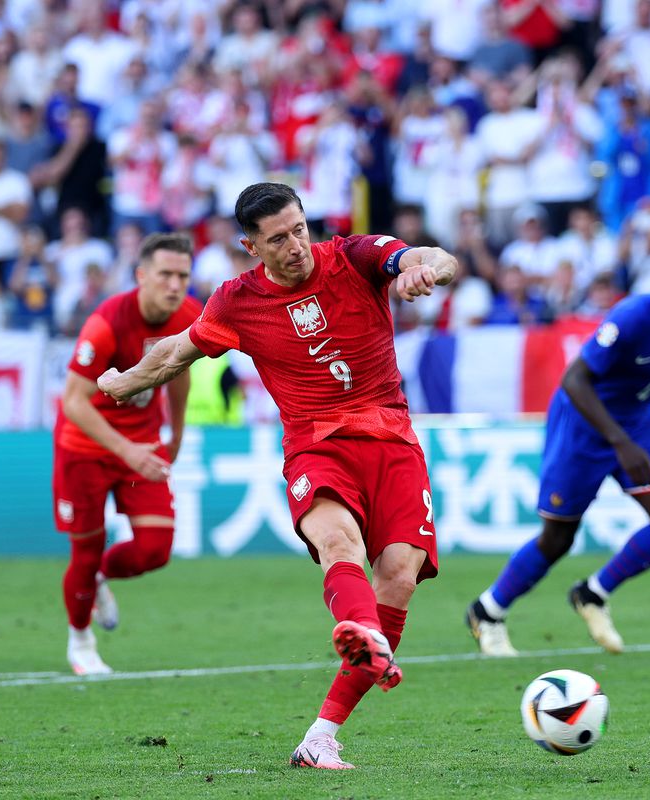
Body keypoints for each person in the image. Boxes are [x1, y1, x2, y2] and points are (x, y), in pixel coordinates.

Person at [97, 183, 458, 770]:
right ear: (251, 246)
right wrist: (123, 381)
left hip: (392, 439)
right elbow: (175, 353)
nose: (296, 246)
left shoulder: (355, 257)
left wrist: (428, 271)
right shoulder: (237, 302)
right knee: (338, 540)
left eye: (299, 230)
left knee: (399, 575)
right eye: (278, 240)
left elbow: (426, 256)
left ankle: (321, 736)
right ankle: (365, 634)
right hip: (317, 446)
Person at [466, 249, 650, 657]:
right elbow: (574, 380)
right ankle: (487, 611)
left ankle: (592, 593)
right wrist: (621, 444)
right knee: (558, 538)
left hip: (635, 421)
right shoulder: (633, 317)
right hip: (584, 422)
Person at [55, 233, 202, 676]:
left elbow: (179, 374)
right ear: (141, 276)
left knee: (155, 550)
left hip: (143, 444)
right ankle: (80, 641)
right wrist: (127, 451)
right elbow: (74, 401)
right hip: (86, 448)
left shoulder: (190, 315)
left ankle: (97, 578)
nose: (174, 285)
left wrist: (174, 434)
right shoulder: (105, 323)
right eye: (165, 275)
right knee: (85, 549)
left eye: (182, 276)